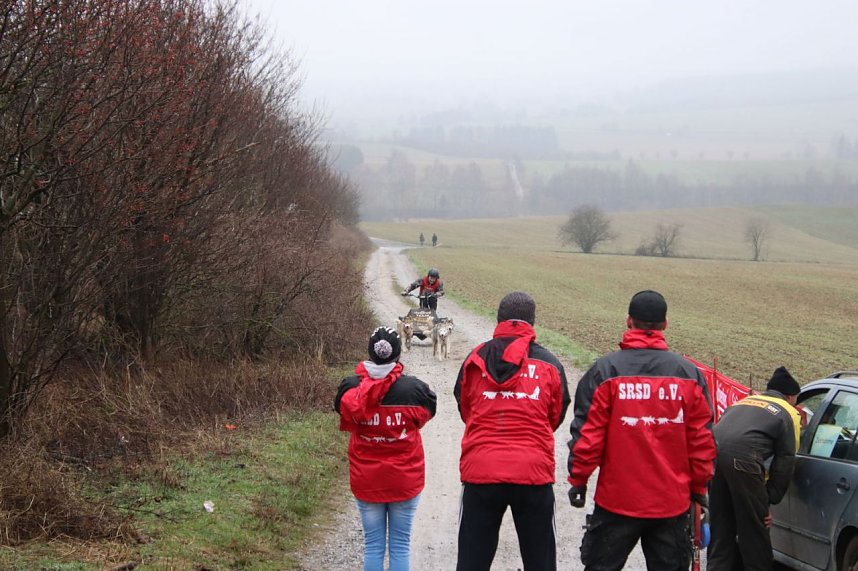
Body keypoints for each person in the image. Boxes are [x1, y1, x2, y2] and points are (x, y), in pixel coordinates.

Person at [567, 289, 716, 571]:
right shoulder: (689, 374)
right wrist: (699, 489)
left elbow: (589, 435)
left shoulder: (605, 371)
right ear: (665, 324)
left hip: (616, 502)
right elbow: (702, 441)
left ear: (628, 321)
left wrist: (579, 479)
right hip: (671, 504)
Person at [454, 291, 571, 571]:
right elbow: (555, 415)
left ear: (499, 319)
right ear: (533, 321)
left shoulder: (475, 358)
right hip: (532, 474)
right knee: (540, 560)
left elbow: (465, 408)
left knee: (472, 560)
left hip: (481, 472)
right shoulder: (550, 364)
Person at [334, 326, 437, 571]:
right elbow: (426, 415)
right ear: (398, 354)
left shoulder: (349, 389)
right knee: (400, 544)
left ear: (370, 353)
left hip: (366, 480)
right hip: (405, 480)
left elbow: (341, 409)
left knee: (373, 545)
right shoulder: (416, 391)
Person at [707, 366, 801, 571]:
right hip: (744, 462)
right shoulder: (788, 413)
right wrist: (768, 499)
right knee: (754, 535)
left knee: (721, 531)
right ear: (790, 396)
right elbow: (786, 459)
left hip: (712, 459)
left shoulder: (741, 402)